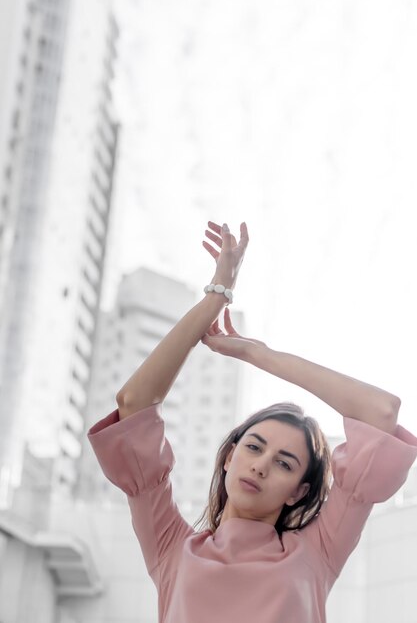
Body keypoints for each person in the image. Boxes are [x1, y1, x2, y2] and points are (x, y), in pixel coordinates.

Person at [88, 221, 417, 623]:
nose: (260, 465)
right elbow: (133, 403)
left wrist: (258, 355)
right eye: (254, 447)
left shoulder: (318, 551)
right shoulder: (171, 546)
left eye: (284, 463)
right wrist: (218, 293)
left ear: (299, 492)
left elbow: (382, 411)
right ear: (229, 456)